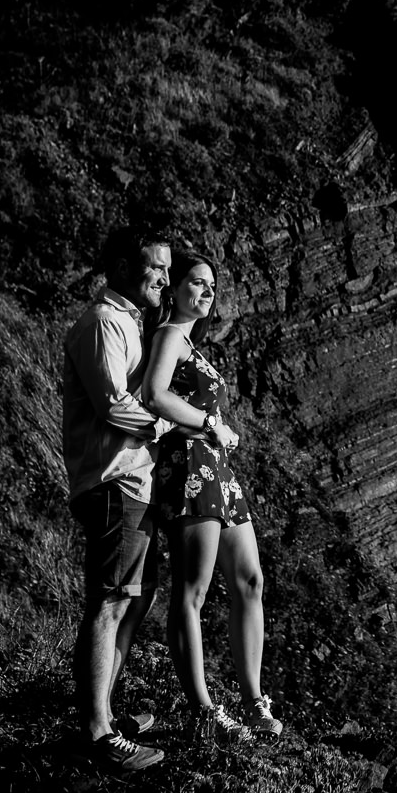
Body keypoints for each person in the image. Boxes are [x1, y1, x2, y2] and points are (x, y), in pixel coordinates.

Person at [144, 249, 285, 743]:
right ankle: (203, 709)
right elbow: (154, 394)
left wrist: (217, 430)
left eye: (211, 286)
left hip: (218, 470)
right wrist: (208, 423)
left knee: (250, 581)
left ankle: (254, 702)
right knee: (193, 591)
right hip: (189, 467)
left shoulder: (192, 344)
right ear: (175, 287)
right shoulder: (168, 336)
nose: (207, 292)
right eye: (198, 283)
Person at [62, 227, 173, 773]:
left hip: (132, 481)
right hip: (113, 482)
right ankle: (96, 732)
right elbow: (113, 404)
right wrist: (167, 428)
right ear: (125, 267)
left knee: (135, 596)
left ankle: (103, 710)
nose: (165, 278)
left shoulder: (129, 321)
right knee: (109, 600)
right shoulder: (104, 322)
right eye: (156, 267)